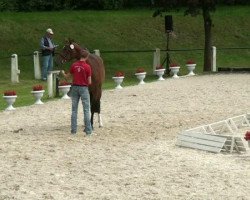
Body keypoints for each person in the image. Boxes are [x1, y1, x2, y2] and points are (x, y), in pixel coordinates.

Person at [61, 50, 92, 135]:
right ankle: (88, 130)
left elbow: (67, 76)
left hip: (74, 88)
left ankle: (73, 130)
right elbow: (89, 82)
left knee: (74, 110)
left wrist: (63, 73)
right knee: (86, 110)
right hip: (84, 88)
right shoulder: (87, 67)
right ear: (86, 57)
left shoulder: (74, 65)